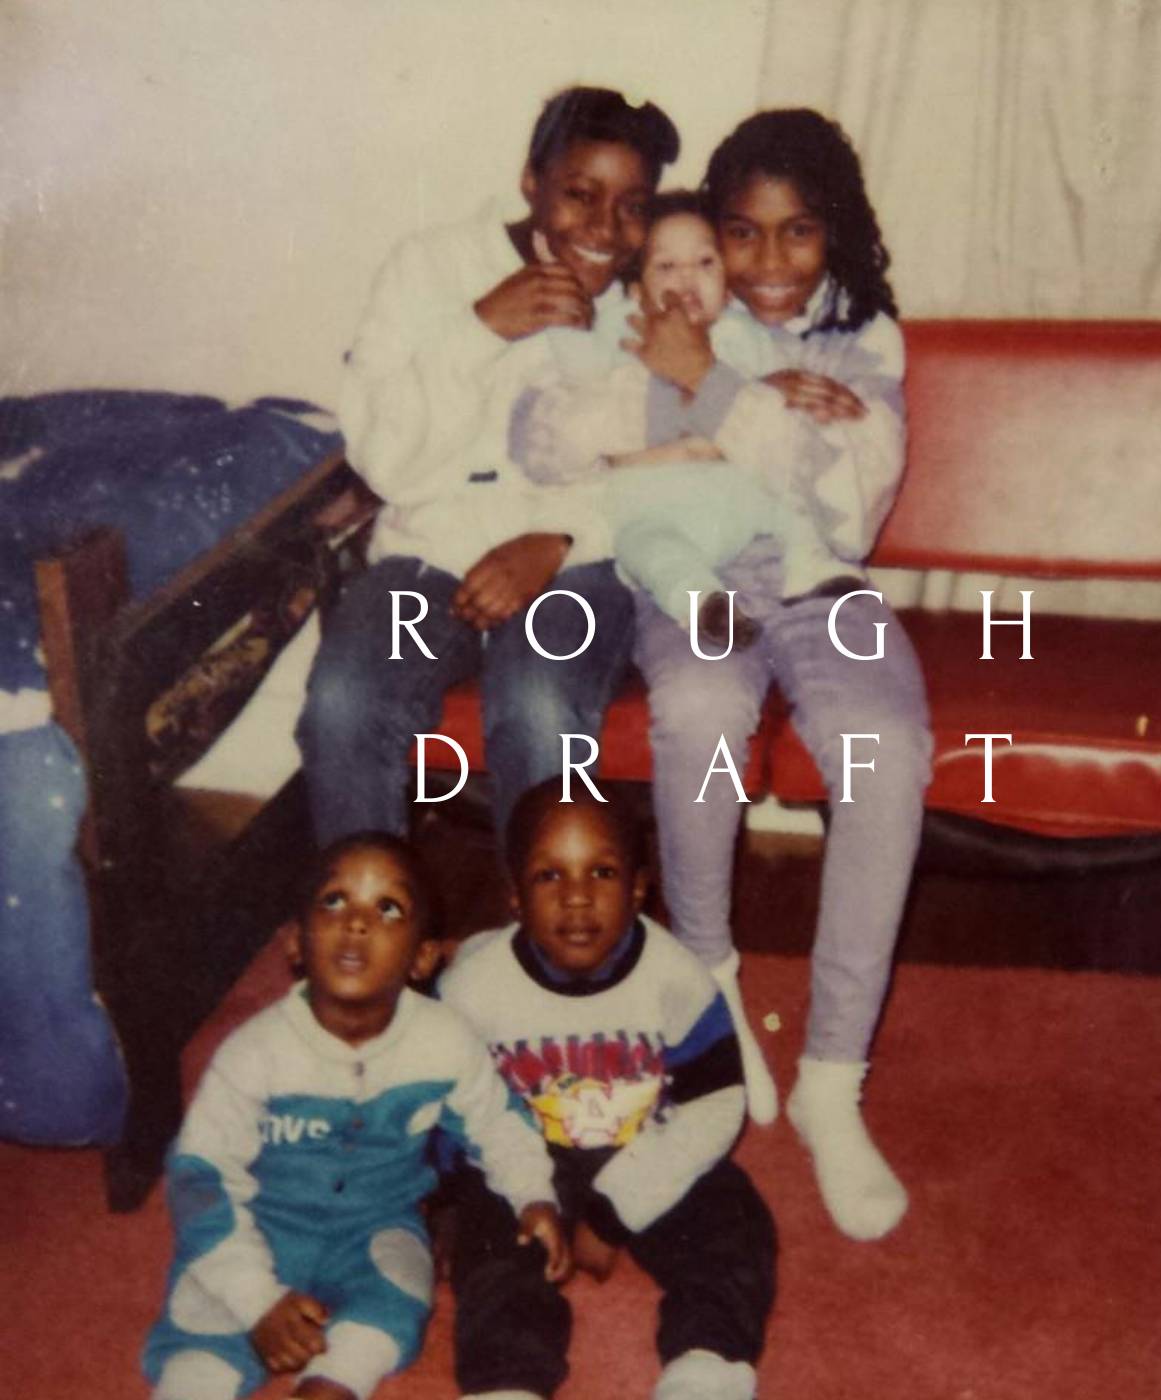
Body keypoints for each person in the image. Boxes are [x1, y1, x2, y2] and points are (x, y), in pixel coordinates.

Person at [612, 110, 932, 1241]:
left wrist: (715, 390)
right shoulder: (668, 298)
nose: (766, 262)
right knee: (698, 705)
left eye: (798, 231)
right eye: (740, 233)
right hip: (694, 576)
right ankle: (708, 998)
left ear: (835, 231)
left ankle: (830, 1081)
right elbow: (613, 439)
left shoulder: (866, 336)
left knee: (884, 749)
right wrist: (766, 415)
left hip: (818, 580)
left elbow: (845, 508)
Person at [296, 87, 679, 845]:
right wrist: (479, 330)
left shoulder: (652, 297)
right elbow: (384, 464)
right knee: (345, 701)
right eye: (580, 194)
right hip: (427, 559)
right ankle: (366, 914)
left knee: (539, 704)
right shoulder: (429, 267)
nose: (605, 229)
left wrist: (559, 538)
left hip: (580, 564)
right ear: (532, 181)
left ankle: (538, 917)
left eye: (632, 206)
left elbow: (672, 469)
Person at [142, 834, 567, 1400]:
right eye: (335, 901)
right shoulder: (254, 1052)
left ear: (423, 957)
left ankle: (333, 1382)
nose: (358, 922)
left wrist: (533, 1194)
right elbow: (201, 1177)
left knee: (395, 1297)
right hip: (259, 1225)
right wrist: (257, 1300)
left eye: (388, 908)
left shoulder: (444, 1041)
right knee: (201, 1335)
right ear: (295, 941)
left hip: (374, 1228)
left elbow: (499, 1123)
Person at [437, 779, 776, 1400]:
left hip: (646, 1147)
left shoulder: (675, 977)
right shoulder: (472, 990)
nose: (577, 897)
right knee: (491, 1252)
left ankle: (704, 1364)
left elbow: (717, 1105)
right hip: (526, 1160)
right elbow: (444, 1105)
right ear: (514, 895)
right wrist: (447, 1200)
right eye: (549, 876)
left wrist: (615, 1211)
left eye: (602, 872)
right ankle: (507, 1382)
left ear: (640, 889)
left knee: (733, 1219)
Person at [509, 189, 859, 649]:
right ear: (637, 291)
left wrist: (771, 389)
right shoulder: (623, 329)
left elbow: (771, 410)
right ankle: (703, 606)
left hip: (739, 501)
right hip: (652, 505)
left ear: (728, 286)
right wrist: (555, 279)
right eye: (667, 266)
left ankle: (809, 566)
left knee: (793, 505)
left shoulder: (744, 333)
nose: (687, 277)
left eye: (705, 263)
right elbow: (576, 361)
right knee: (648, 549)